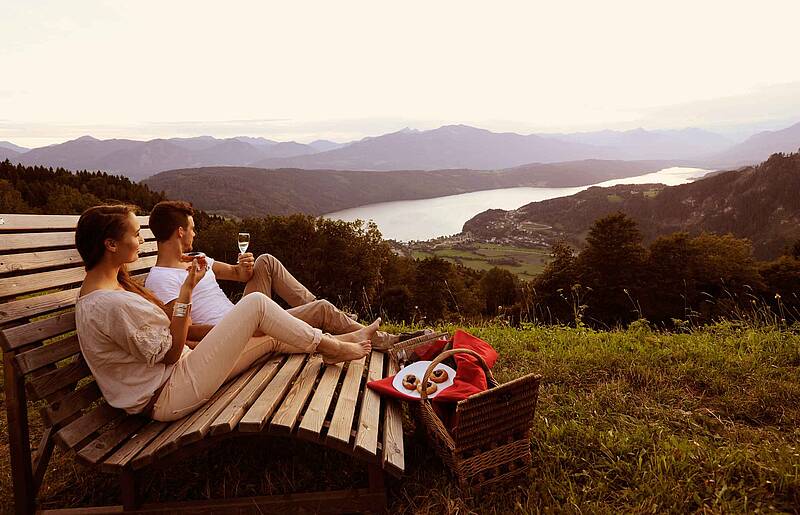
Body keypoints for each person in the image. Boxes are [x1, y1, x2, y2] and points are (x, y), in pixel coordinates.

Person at [74, 204, 374, 422]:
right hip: (169, 393)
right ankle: (334, 346)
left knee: (271, 335)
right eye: (136, 234)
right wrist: (186, 294)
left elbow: (167, 344)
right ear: (111, 244)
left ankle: (335, 342)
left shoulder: (110, 292)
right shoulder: (110, 304)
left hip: (181, 374)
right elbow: (170, 351)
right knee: (255, 305)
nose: (142, 241)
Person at [143, 200, 398, 348]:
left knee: (265, 261)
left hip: (244, 313)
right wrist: (237, 327)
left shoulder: (199, 259)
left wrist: (245, 267)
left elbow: (239, 275)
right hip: (234, 329)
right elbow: (184, 331)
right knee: (322, 309)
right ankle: (385, 341)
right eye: (192, 229)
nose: (195, 234)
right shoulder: (160, 279)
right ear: (179, 232)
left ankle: (325, 317)